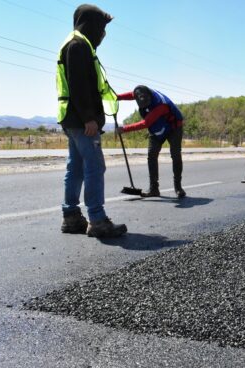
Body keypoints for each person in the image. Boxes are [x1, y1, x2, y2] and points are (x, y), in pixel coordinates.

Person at [57, 4, 127, 237]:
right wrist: (89, 118)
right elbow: (78, 85)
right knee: (95, 166)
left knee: (76, 167)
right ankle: (97, 220)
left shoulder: (77, 43)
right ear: (91, 24)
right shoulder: (77, 46)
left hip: (72, 119)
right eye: (102, 27)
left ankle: (71, 217)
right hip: (81, 120)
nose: (104, 34)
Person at [116, 86, 186, 198]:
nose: (146, 106)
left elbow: (145, 123)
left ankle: (178, 187)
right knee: (152, 155)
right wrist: (117, 97)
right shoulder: (141, 93)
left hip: (173, 128)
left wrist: (124, 129)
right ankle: (154, 189)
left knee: (175, 154)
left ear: (150, 97)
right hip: (157, 127)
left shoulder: (161, 105)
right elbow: (132, 95)